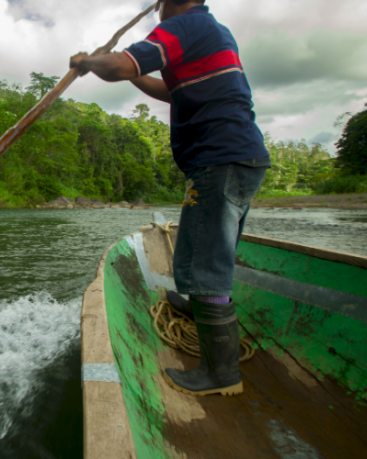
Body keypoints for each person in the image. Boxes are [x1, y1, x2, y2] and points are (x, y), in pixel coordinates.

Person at [70, 0, 270, 397]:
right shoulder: (210, 30)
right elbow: (170, 90)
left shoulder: (184, 26)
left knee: (206, 261)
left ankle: (221, 373)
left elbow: (122, 64)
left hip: (221, 159)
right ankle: (199, 308)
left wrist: (90, 61)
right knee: (198, 248)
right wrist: (130, 73)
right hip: (233, 159)